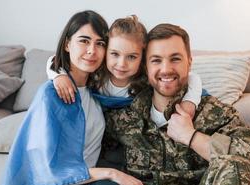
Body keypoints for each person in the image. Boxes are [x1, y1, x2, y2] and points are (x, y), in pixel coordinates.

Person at [102, 23, 250, 185]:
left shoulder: (214, 112)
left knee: (233, 164)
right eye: (156, 60)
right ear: (145, 66)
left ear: (189, 61)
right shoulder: (123, 115)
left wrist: (192, 136)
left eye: (175, 59)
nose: (166, 69)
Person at [0, 10, 149, 185]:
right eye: (84, 41)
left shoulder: (97, 89)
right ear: (68, 44)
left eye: (100, 44)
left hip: (83, 184)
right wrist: (112, 174)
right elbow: (49, 167)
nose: (91, 51)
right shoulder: (52, 93)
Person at [47, 16, 203, 119]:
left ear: (142, 58)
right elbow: (55, 59)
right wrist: (59, 75)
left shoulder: (145, 79)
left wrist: (190, 101)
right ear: (105, 51)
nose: (121, 64)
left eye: (131, 57)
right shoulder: (97, 73)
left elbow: (192, 77)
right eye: (115, 54)